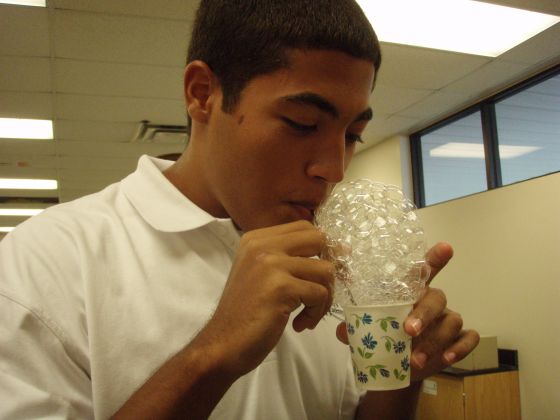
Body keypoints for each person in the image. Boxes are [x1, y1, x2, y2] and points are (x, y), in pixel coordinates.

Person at [0, 1, 479, 419]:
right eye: (301, 122)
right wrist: (211, 356)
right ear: (202, 93)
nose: (333, 168)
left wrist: (408, 370)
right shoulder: (46, 263)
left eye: (352, 135)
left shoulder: (333, 263)